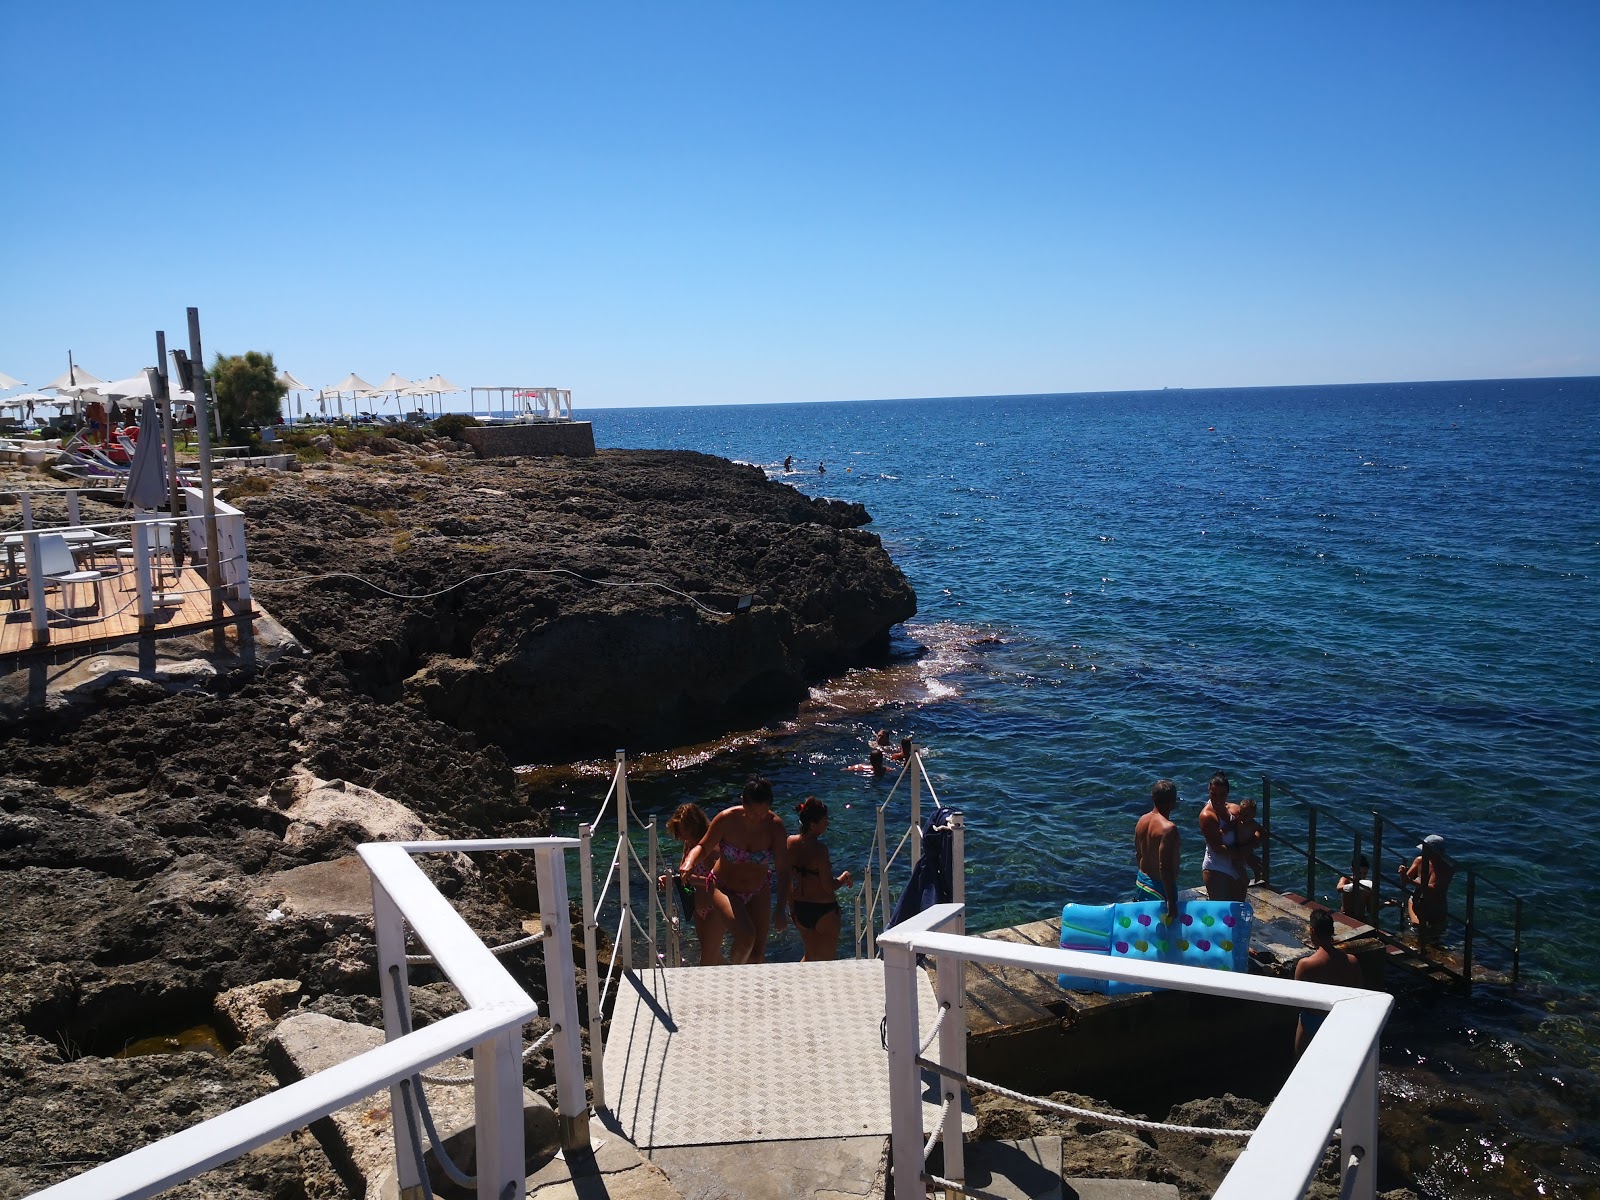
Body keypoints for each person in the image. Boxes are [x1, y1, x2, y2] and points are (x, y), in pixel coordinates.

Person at [681, 776, 790, 964]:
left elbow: (784, 871)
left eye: (763, 813)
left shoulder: (775, 827)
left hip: (758, 889)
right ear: (743, 802)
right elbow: (704, 846)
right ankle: (734, 979)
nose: (758, 818)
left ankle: (749, 988)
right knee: (746, 935)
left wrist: (781, 909)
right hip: (724, 886)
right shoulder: (726, 819)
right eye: (753, 813)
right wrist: (689, 861)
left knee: (757, 954)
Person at [659, 803, 727, 965]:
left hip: (714, 908)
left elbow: (722, 882)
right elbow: (686, 875)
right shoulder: (689, 845)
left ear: (695, 827)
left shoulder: (712, 848)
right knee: (714, 956)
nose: (682, 836)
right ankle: (736, 978)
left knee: (707, 960)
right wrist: (673, 880)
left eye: (684, 832)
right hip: (698, 907)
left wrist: (689, 880)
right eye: (680, 832)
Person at [788, 797, 853, 961]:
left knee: (809, 956)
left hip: (800, 907)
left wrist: (791, 908)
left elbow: (786, 878)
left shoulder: (790, 842)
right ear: (813, 824)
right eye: (824, 821)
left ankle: (796, 984)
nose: (827, 824)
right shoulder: (820, 850)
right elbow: (828, 887)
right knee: (827, 961)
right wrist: (844, 877)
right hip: (824, 910)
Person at [1293, 908, 1364, 1057]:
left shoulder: (1305, 964)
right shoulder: (1352, 961)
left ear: (1312, 930)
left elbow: (1297, 1001)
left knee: (1302, 1065)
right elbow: (1359, 995)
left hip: (1312, 1022)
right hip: (1340, 1022)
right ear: (1332, 931)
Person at [1134, 779, 1181, 925]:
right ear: (1173, 802)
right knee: (1163, 937)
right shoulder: (1168, 829)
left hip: (1141, 881)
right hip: (1159, 889)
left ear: (1152, 797)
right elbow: (1164, 866)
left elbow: (1138, 854)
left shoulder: (1142, 820)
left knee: (1145, 931)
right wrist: (1171, 901)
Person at [1198, 770, 1249, 902]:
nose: (1218, 799)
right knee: (1222, 915)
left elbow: (1249, 829)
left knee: (1239, 909)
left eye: (1222, 795)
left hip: (1237, 866)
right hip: (1217, 868)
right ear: (1209, 791)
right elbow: (1218, 848)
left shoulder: (1235, 810)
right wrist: (1244, 855)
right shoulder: (1207, 816)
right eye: (1214, 794)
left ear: (1228, 793)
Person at [1399, 834, 1455, 937]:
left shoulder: (1446, 869)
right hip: (1417, 902)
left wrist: (1410, 881)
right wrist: (1403, 873)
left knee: (1435, 936)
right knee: (1416, 928)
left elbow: (1435, 889)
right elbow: (1405, 880)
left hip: (1436, 908)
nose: (1423, 852)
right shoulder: (1419, 861)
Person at [1232, 796, 1263, 883]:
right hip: (1238, 845)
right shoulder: (1238, 822)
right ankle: (1242, 878)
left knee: (1250, 860)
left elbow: (1261, 831)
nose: (1242, 817)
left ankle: (1257, 873)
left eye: (1246, 815)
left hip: (1247, 845)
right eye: (1241, 813)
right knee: (1238, 863)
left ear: (1253, 815)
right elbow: (1230, 825)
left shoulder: (1253, 825)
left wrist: (1256, 838)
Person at [1336, 854, 1374, 920]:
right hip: (1345, 916)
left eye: (1365, 873)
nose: (1362, 876)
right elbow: (1339, 888)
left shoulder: (1367, 886)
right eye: (1359, 873)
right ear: (1352, 869)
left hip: (1360, 918)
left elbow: (1370, 909)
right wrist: (1355, 885)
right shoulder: (1346, 879)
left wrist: (1385, 904)